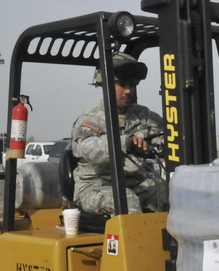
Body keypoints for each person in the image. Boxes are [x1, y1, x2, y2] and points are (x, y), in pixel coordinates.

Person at [71, 53, 166, 215]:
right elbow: (86, 148)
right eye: (122, 84)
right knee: (126, 202)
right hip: (96, 187)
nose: (128, 91)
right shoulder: (92, 119)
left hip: (138, 184)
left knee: (174, 194)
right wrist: (126, 143)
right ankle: (138, 241)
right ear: (106, 85)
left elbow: (167, 136)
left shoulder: (144, 116)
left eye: (133, 85)